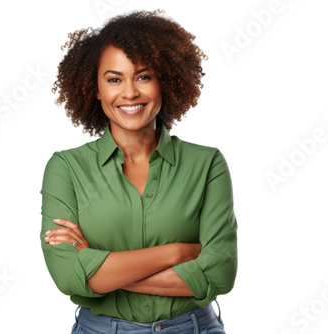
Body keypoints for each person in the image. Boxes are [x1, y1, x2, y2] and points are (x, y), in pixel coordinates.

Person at [40, 9, 238, 334]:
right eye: (114, 79)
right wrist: (177, 252)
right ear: (96, 88)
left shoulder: (207, 164)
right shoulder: (66, 169)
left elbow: (219, 274)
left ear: (167, 81)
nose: (130, 92)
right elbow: (67, 275)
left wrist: (99, 267)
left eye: (144, 76)